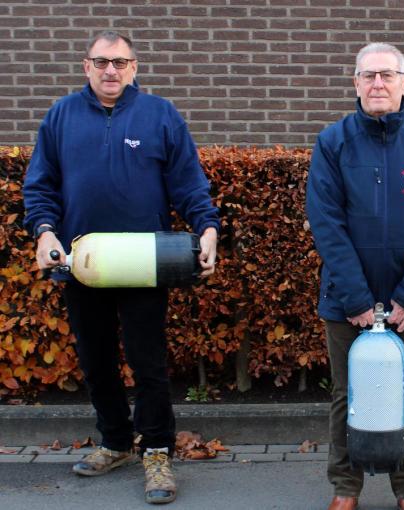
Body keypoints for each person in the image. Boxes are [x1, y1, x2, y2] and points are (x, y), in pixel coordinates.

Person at [23, 31, 219, 505]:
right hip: (81, 263)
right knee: (96, 361)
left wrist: (207, 228)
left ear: (135, 68)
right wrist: (45, 231)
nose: (111, 70)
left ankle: (155, 450)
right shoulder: (61, 116)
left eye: (120, 62)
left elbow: (189, 183)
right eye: (101, 62)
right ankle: (114, 441)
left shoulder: (159, 115)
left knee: (148, 361)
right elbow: (40, 185)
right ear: (85, 66)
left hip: (143, 262)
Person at [306, 42, 404, 510]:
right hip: (346, 297)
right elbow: (326, 221)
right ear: (355, 82)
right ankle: (345, 489)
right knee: (345, 395)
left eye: (387, 75)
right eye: (368, 75)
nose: (378, 84)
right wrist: (354, 298)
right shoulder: (333, 143)